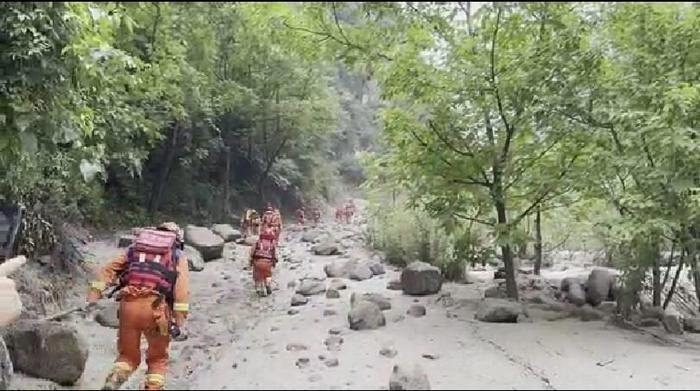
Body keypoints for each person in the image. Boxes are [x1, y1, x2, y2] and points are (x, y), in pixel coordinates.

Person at [87, 222, 189, 391]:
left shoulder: (135, 249)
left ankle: (115, 378)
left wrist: (93, 296)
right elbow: (182, 290)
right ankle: (153, 387)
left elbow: (108, 270)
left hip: (128, 306)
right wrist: (179, 321)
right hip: (157, 311)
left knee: (127, 356)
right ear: (177, 239)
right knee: (157, 359)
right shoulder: (177, 254)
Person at [249, 227, 278, 296]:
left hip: (258, 261)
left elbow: (252, 252)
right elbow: (274, 256)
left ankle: (259, 289)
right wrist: (274, 263)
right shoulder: (272, 244)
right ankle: (267, 284)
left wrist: (250, 261)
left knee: (257, 276)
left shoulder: (258, 242)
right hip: (268, 262)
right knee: (268, 275)